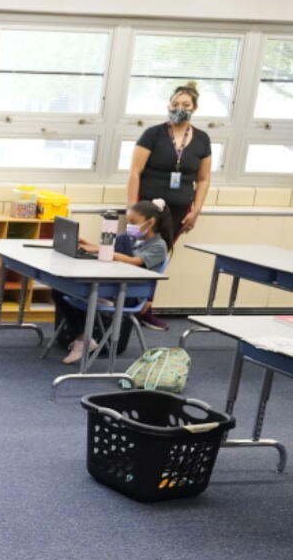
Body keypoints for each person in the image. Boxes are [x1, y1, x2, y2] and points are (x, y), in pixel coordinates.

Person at [126, 81, 212, 331]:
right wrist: (133, 209)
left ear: (194, 108)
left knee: (160, 257)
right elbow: (135, 172)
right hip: (147, 209)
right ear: (168, 106)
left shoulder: (202, 139)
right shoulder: (153, 134)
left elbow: (204, 179)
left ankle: (145, 308)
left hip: (178, 210)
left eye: (185, 105)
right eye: (175, 104)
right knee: (136, 255)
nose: (179, 109)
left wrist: (196, 211)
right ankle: (129, 305)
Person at [53, 200, 174, 364]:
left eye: (133, 222)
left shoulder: (158, 246)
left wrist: (100, 250)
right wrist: (85, 243)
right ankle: (83, 338)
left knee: (76, 293)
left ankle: (83, 340)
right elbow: (109, 250)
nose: (129, 226)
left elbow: (134, 261)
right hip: (112, 284)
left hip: (129, 293)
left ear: (150, 222)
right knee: (61, 290)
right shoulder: (128, 238)